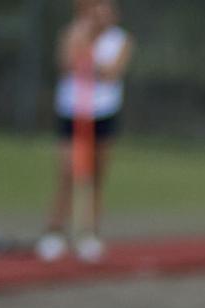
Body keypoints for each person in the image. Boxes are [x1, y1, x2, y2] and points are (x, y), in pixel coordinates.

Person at [37, 0, 134, 264]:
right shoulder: (73, 32)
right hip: (73, 111)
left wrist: (89, 61)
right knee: (68, 172)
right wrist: (83, 45)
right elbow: (66, 63)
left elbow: (111, 73)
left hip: (103, 112)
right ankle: (54, 232)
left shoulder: (121, 39)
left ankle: (89, 233)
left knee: (97, 174)